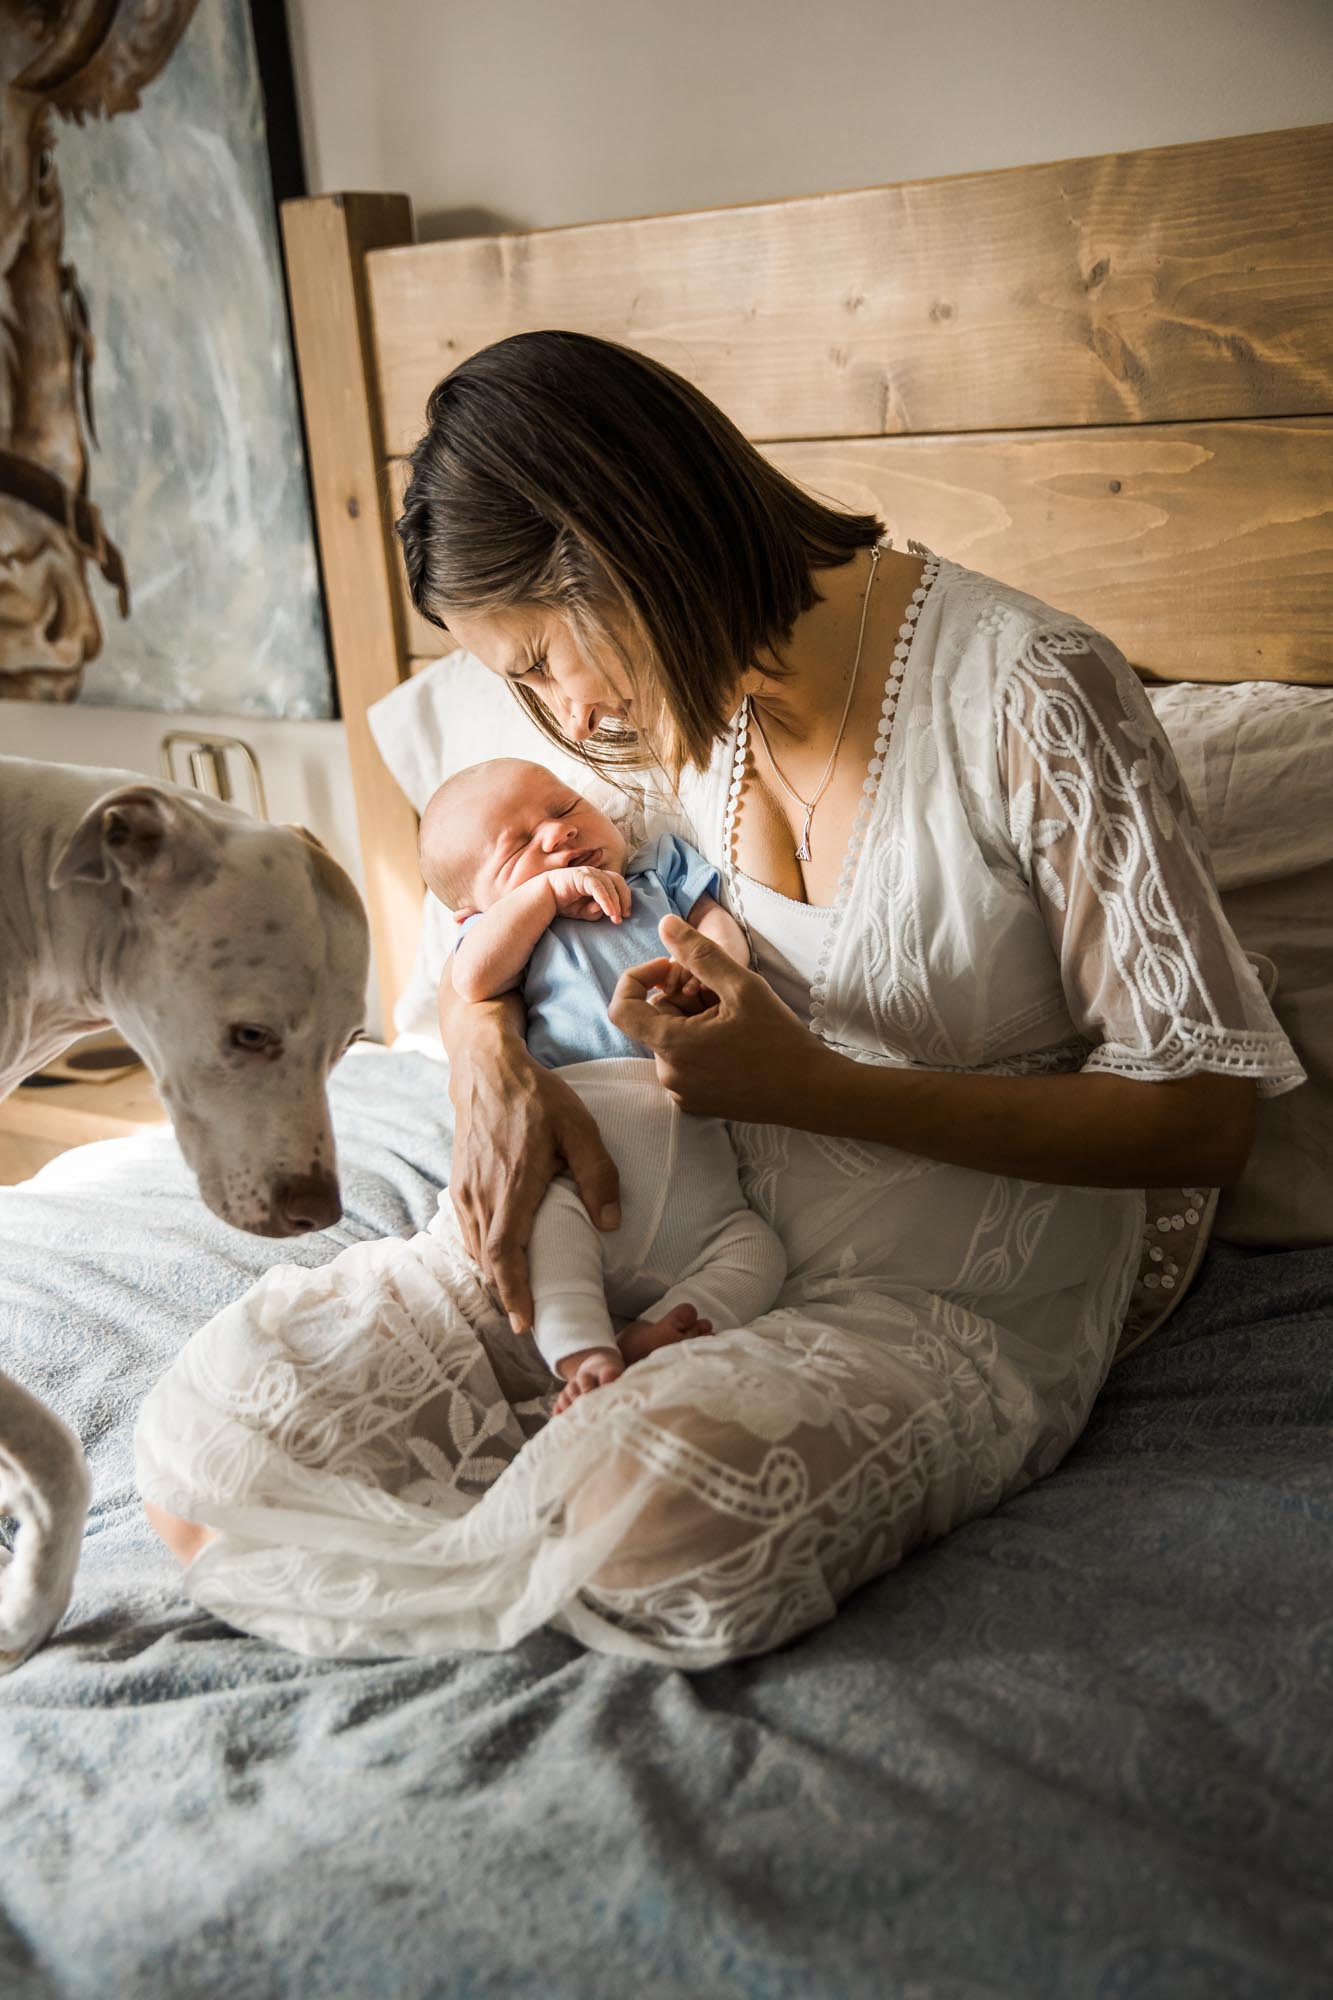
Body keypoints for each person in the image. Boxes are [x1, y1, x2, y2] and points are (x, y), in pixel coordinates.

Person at [137, 330, 1303, 1669]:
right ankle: (573, 1429)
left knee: (647, 1522)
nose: (553, 716)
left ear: (624, 556)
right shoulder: (683, 717)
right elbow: (526, 929)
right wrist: (483, 1050)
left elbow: (1205, 1123)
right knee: (220, 1448)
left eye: (535, 661)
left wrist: (817, 1090)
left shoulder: (1031, 694)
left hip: (938, 1288)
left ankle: (582, 1457)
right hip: (662, 1215)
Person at [417, 755, 785, 1413]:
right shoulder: (503, 927)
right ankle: (584, 1353)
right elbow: (473, 980)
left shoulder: (656, 870)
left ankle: (660, 1333)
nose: (556, 837)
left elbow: (713, 921)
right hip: (582, 1133)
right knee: (550, 1234)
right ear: (472, 906)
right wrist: (542, 897)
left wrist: (716, 969)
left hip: (699, 1162)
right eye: (518, 847)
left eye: (562, 810)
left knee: (757, 1252)